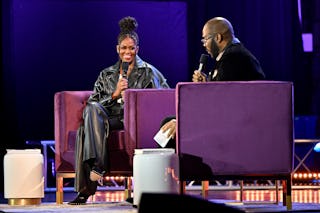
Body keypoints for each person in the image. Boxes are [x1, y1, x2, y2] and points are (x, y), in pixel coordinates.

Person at [68, 16, 170, 205]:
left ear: (137, 49)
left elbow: (163, 99)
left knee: (84, 132)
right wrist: (114, 95)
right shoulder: (106, 74)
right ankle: (98, 166)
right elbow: (93, 103)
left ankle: (88, 186)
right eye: (123, 48)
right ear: (117, 49)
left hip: (136, 120)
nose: (127, 52)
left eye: (131, 48)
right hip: (109, 118)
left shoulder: (149, 72)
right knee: (91, 109)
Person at [159, 16, 265, 149]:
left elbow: (219, 104)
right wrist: (207, 84)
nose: (204, 44)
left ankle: (170, 169)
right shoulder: (233, 54)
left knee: (170, 126)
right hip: (231, 119)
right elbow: (225, 92)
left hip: (234, 124)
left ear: (218, 38)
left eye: (205, 39)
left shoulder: (233, 59)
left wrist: (183, 120)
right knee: (169, 122)